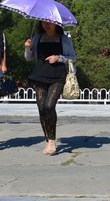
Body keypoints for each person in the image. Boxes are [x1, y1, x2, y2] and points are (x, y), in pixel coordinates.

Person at [24, 21, 77, 155]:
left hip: (57, 76)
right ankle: (48, 140)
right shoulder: (37, 37)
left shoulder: (64, 38)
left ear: (56, 24)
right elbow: (28, 58)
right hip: (39, 75)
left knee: (49, 106)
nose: (46, 25)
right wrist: (28, 48)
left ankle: (52, 141)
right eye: (43, 22)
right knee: (41, 108)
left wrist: (58, 58)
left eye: (49, 23)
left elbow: (72, 57)